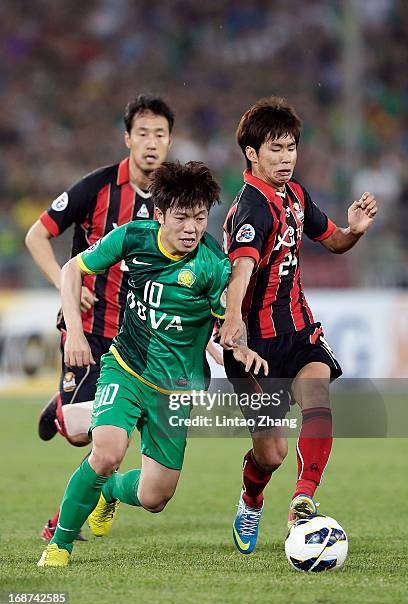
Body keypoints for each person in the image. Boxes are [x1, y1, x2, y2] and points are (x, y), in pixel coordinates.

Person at [37, 161, 268, 567]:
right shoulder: (132, 237)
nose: (192, 228)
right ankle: (60, 544)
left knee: (154, 497)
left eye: (199, 218)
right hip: (126, 369)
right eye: (181, 218)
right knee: (107, 452)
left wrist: (238, 346)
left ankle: (108, 492)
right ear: (159, 215)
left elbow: (228, 322)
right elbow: (73, 268)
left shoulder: (214, 265)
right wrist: (74, 331)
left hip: (177, 390)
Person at [220, 96, 378, 554]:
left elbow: (334, 242)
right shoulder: (251, 208)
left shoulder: (296, 196)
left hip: (300, 331)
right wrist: (232, 322)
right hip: (254, 346)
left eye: (291, 147)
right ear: (252, 154)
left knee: (318, 393)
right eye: (275, 148)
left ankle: (303, 500)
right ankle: (252, 499)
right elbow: (241, 270)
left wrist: (355, 231)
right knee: (271, 454)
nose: (287, 156)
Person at [25, 94, 175, 541]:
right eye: (143, 133)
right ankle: (62, 412)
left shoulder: (174, 197)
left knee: (111, 443)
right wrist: (66, 287)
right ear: (127, 138)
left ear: (170, 141)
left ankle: (65, 520)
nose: (151, 143)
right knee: (80, 434)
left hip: (137, 340)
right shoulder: (96, 188)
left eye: (160, 134)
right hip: (87, 331)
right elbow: (37, 235)